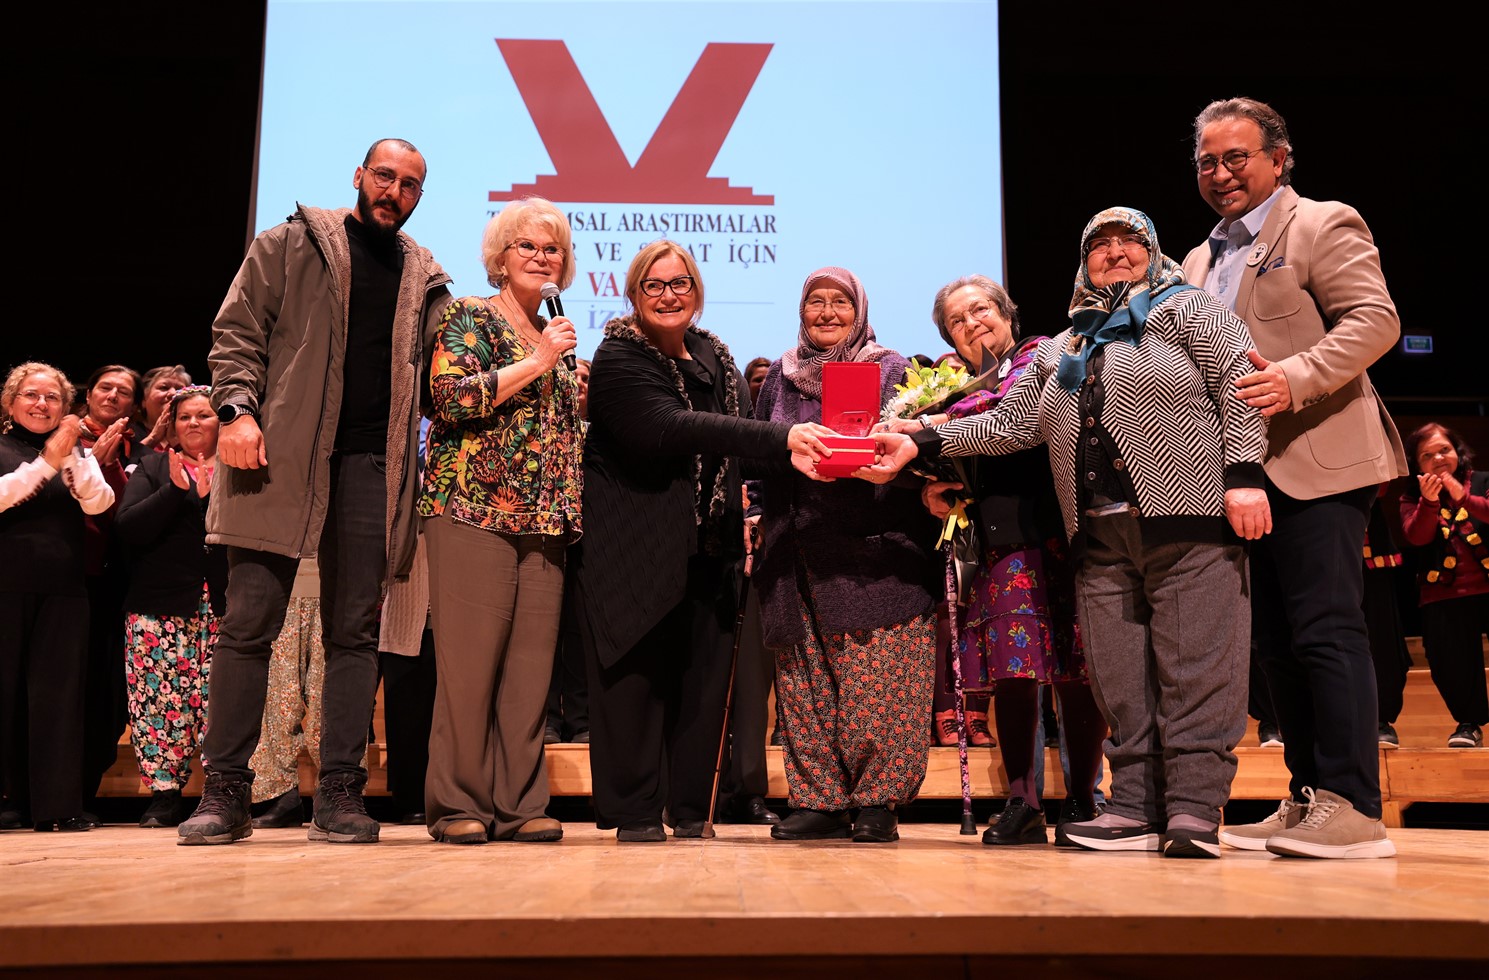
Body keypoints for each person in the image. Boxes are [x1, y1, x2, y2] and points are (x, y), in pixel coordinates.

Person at [861, 207, 1269, 858]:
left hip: (1186, 514)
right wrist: (922, 440)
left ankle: (1193, 811)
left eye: (1127, 241)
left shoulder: (1188, 311)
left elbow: (1239, 384)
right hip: (1098, 540)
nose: (1112, 251)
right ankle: (1133, 807)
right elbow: (1007, 425)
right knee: (1119, 680)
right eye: (1098, 245)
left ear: (1153, 251)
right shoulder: (1063, 348)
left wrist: (1244, 473)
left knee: (1196, 669)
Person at [177, 137, 452, 846]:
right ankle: (226, 793)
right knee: (249, 627)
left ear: (419, 197)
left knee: (355, 633)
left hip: (370, 466)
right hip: (280, 456)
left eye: (410, 184)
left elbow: (443, 378)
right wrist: (235, 411)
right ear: (358, 176)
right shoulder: (289, 242)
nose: (394, 190)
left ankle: (338, 793)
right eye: (384, 176)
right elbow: (235, 335)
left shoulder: (425, 277)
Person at [1182, 97, 1405, 859]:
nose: (1220, 173)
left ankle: (1354, 805)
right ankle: (1310, 793)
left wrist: (1295, 376)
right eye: (1207, 160)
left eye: (1235, 157)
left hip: (1321, 456)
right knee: (1273, 641)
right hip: (1239, 474)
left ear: (1278, 159)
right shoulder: (1197, 260)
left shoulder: (1320, 222)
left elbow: (1374, 321)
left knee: (1325, 629)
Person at [571, 239, 833, 843]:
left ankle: (690, 808)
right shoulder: (618, 357)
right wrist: (782, 437)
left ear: (697, 291)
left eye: (680, 283)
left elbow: (735, 457)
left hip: (708, 547)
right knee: (632, 680)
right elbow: (668, 428)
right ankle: (635, 812)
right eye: (654, 285)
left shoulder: (716, 354)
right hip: (632, 548)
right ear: (634, 294)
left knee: (702, 682)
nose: (669, 296)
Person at [882, 274, 1107, 846]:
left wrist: (932, 426)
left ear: (1007, 313)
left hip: (1059, 532)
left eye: (981, 309)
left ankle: (1084, 799)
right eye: (957, 320)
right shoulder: (960, 390)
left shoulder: (1043, 355)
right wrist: (936, 484)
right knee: (1014, 671)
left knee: (1078, 671)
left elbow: (1012, 419)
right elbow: (963, 448)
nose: (972, 323)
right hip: (1003, 542)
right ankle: (1023, 803)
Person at [750, 266, 938, 844]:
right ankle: (820, 801)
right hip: (797, 552)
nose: (827, 313)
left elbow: (926, 452)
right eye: (816, 303)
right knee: (805, 684)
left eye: (840, 304)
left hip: (878, 554)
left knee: (879, 680)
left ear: (859, 311)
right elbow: (759, 454)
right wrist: (756, 509)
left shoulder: (895, 370)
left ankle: (878, 802)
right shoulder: (777, 379)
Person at [418, 196, 581, 845]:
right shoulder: (469, 317)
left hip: (544, 521)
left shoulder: (557, 333)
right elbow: (448, 396)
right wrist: (540, 362)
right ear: (500, 256)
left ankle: (518, 805)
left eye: (552, 249)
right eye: (528, 247)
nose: (542, 258)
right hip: (472, 512)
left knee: (528, 673)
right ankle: (457, 803)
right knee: (468, 666)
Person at [1, 362, 121, 831]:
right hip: (5, 588)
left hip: (63, 591)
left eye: (53, 398)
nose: (42, 404)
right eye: (31, 395)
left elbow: (99, 501)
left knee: (57, 699)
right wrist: (49, 460)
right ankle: (8, 801)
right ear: (11, 403)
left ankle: (55, 807)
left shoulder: (72, 453)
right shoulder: (9, 448)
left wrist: (70, 455)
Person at [115, 385, 227, 828]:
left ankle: (224, 790)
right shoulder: (153, 465)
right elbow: (127, 529)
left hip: (225, 601)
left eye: (204, 415)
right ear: (172, 426)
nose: (194, 423)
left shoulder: (242, 465)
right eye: (184, 418)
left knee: (220, 697)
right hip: (158, 605)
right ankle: (165, 794)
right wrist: (175, 491)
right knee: (161, 703)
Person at [1398, 423, 1488, 749]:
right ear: (1417, 464)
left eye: (1444, 450)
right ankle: (1468, 724)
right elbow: (1416, 536)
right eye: (1427, 455)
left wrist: (1464, 497)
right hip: (1444, 592)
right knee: (1448, 661)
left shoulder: (1482, 481)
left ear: (1458, 452)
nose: (1438, 458)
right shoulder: (1411, 497)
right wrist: (1430, 502)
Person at [76, 364, 139, 810]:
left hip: (112, 585)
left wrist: (113, 462)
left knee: (106, 693)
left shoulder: (138, 449)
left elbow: (126, 516)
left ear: (133, 405)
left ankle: (83, 791)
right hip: (67, 579)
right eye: (105, 387)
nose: (113, 395)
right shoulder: (59, 439)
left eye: (123, 391)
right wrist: (93, 462)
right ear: (89, 393)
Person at [133, 365, 194, 455]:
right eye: (164, 388)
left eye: (180, 389)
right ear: (143, 400)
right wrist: (153, 438)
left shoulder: (196, 431)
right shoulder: (129, 433)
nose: (173, 393)